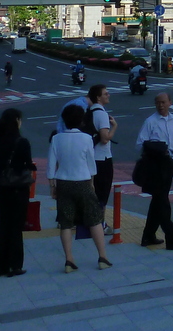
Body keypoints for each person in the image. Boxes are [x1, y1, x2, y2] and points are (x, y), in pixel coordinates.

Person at [47, 103, 112, 272]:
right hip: (83, 182)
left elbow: (50, 166)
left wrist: (52, 186)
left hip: (63, 183)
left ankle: (69, 260)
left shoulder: (56, 138)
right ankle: (102, 257)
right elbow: (91, 165)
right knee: (94, 219)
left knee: (66, 223)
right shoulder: (86, 138)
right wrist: (91, 183)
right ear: (81, 120)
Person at [135, 91, 173, 250]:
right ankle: (171, 238)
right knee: (163, 202)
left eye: (163, 102)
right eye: (158, 102)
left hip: (169, 163)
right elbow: (139, 144)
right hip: (155, 165)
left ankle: (148, 236)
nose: (160, 105)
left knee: (158, 200)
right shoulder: (150, 121)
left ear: (170, 103)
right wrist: (157, 148)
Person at [0, 108, 34, 277]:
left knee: (3, 225)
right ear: (16, 120)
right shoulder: (22, 142)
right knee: (16, 226)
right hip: (18, 188)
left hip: (3, 187)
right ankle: (14, 265)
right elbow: (27, 163)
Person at [86, 85, 117, 228]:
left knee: (92, 192)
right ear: (98, 97)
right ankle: (100, 224)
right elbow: (105, 139)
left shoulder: (89, 112)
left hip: (91, 158)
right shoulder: (102, 114)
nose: (108, 95)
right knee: (102, 193)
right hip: (102, 159)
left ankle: (91, 221)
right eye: (106, 93)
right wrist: (114, 127)